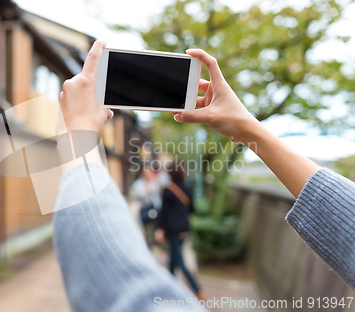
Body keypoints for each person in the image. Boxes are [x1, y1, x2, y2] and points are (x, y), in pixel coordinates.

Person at [53, 41, 355, 312]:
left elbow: (128, 296)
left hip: (173, 232)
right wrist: (249, 129)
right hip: (179, 230)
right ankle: (189, 288)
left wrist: (76, 140)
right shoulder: (176, 185)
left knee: (176, 264)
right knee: (176, 264)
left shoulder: (170, 188)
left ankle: (189, 290)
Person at [155, 162, 204, 300]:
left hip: (173, 229)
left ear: (171, 173)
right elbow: (192, 209)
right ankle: (169, 286)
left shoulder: (168, 189)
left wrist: (160, 229)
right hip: (184, 228)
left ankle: (198, 289)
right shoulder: (187, 188)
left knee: (179, 262)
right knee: (174, 259)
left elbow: (163, 212)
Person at [131, 164, 162, 247]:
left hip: (158, 210)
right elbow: (142, 195)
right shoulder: (139, 183)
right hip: (147, 211)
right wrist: (149, 184)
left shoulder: (155, 181)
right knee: (149, 233)